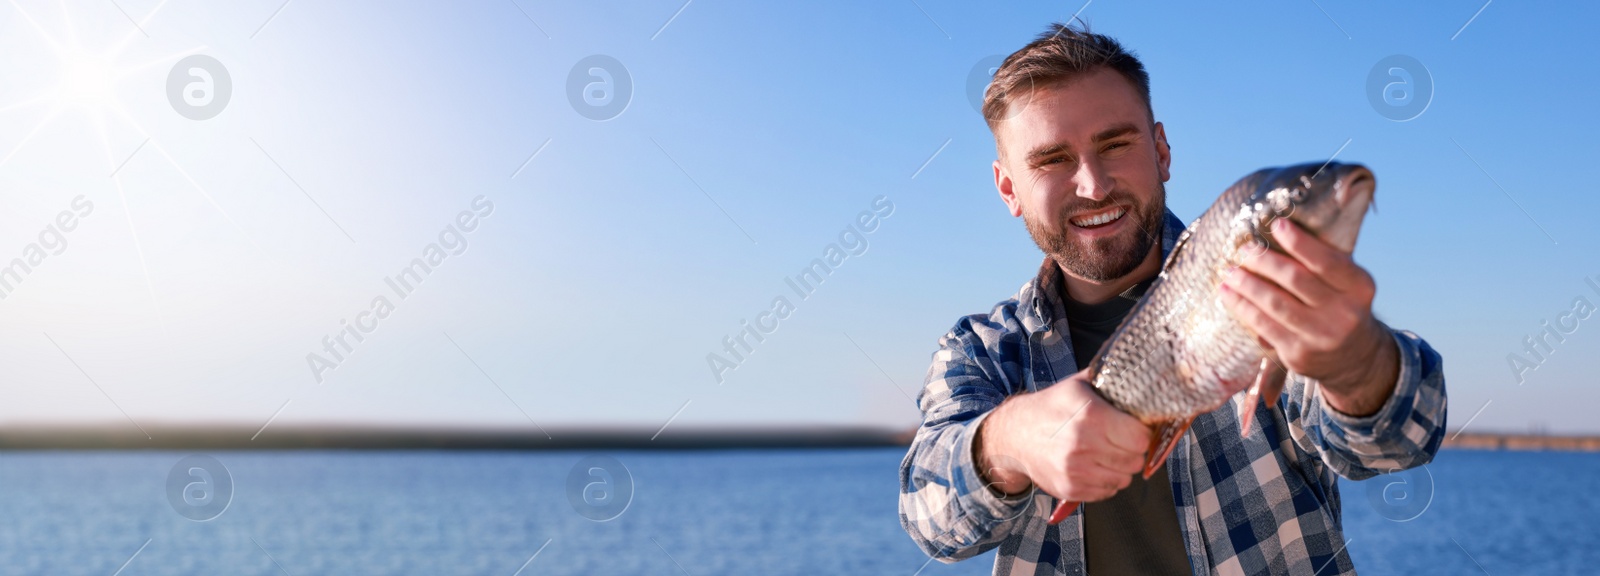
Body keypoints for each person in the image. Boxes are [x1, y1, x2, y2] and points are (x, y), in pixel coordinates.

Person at [897, 23, 1446, 576]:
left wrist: (1354, 362)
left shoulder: (1265, 288)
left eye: (1116, 144)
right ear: (1009, 189)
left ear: (1161, 151)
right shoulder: (980, 351)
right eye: (1051, 160)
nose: (1092, 184)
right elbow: (931, 524)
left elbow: (1399, 445)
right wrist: (1008, 441)